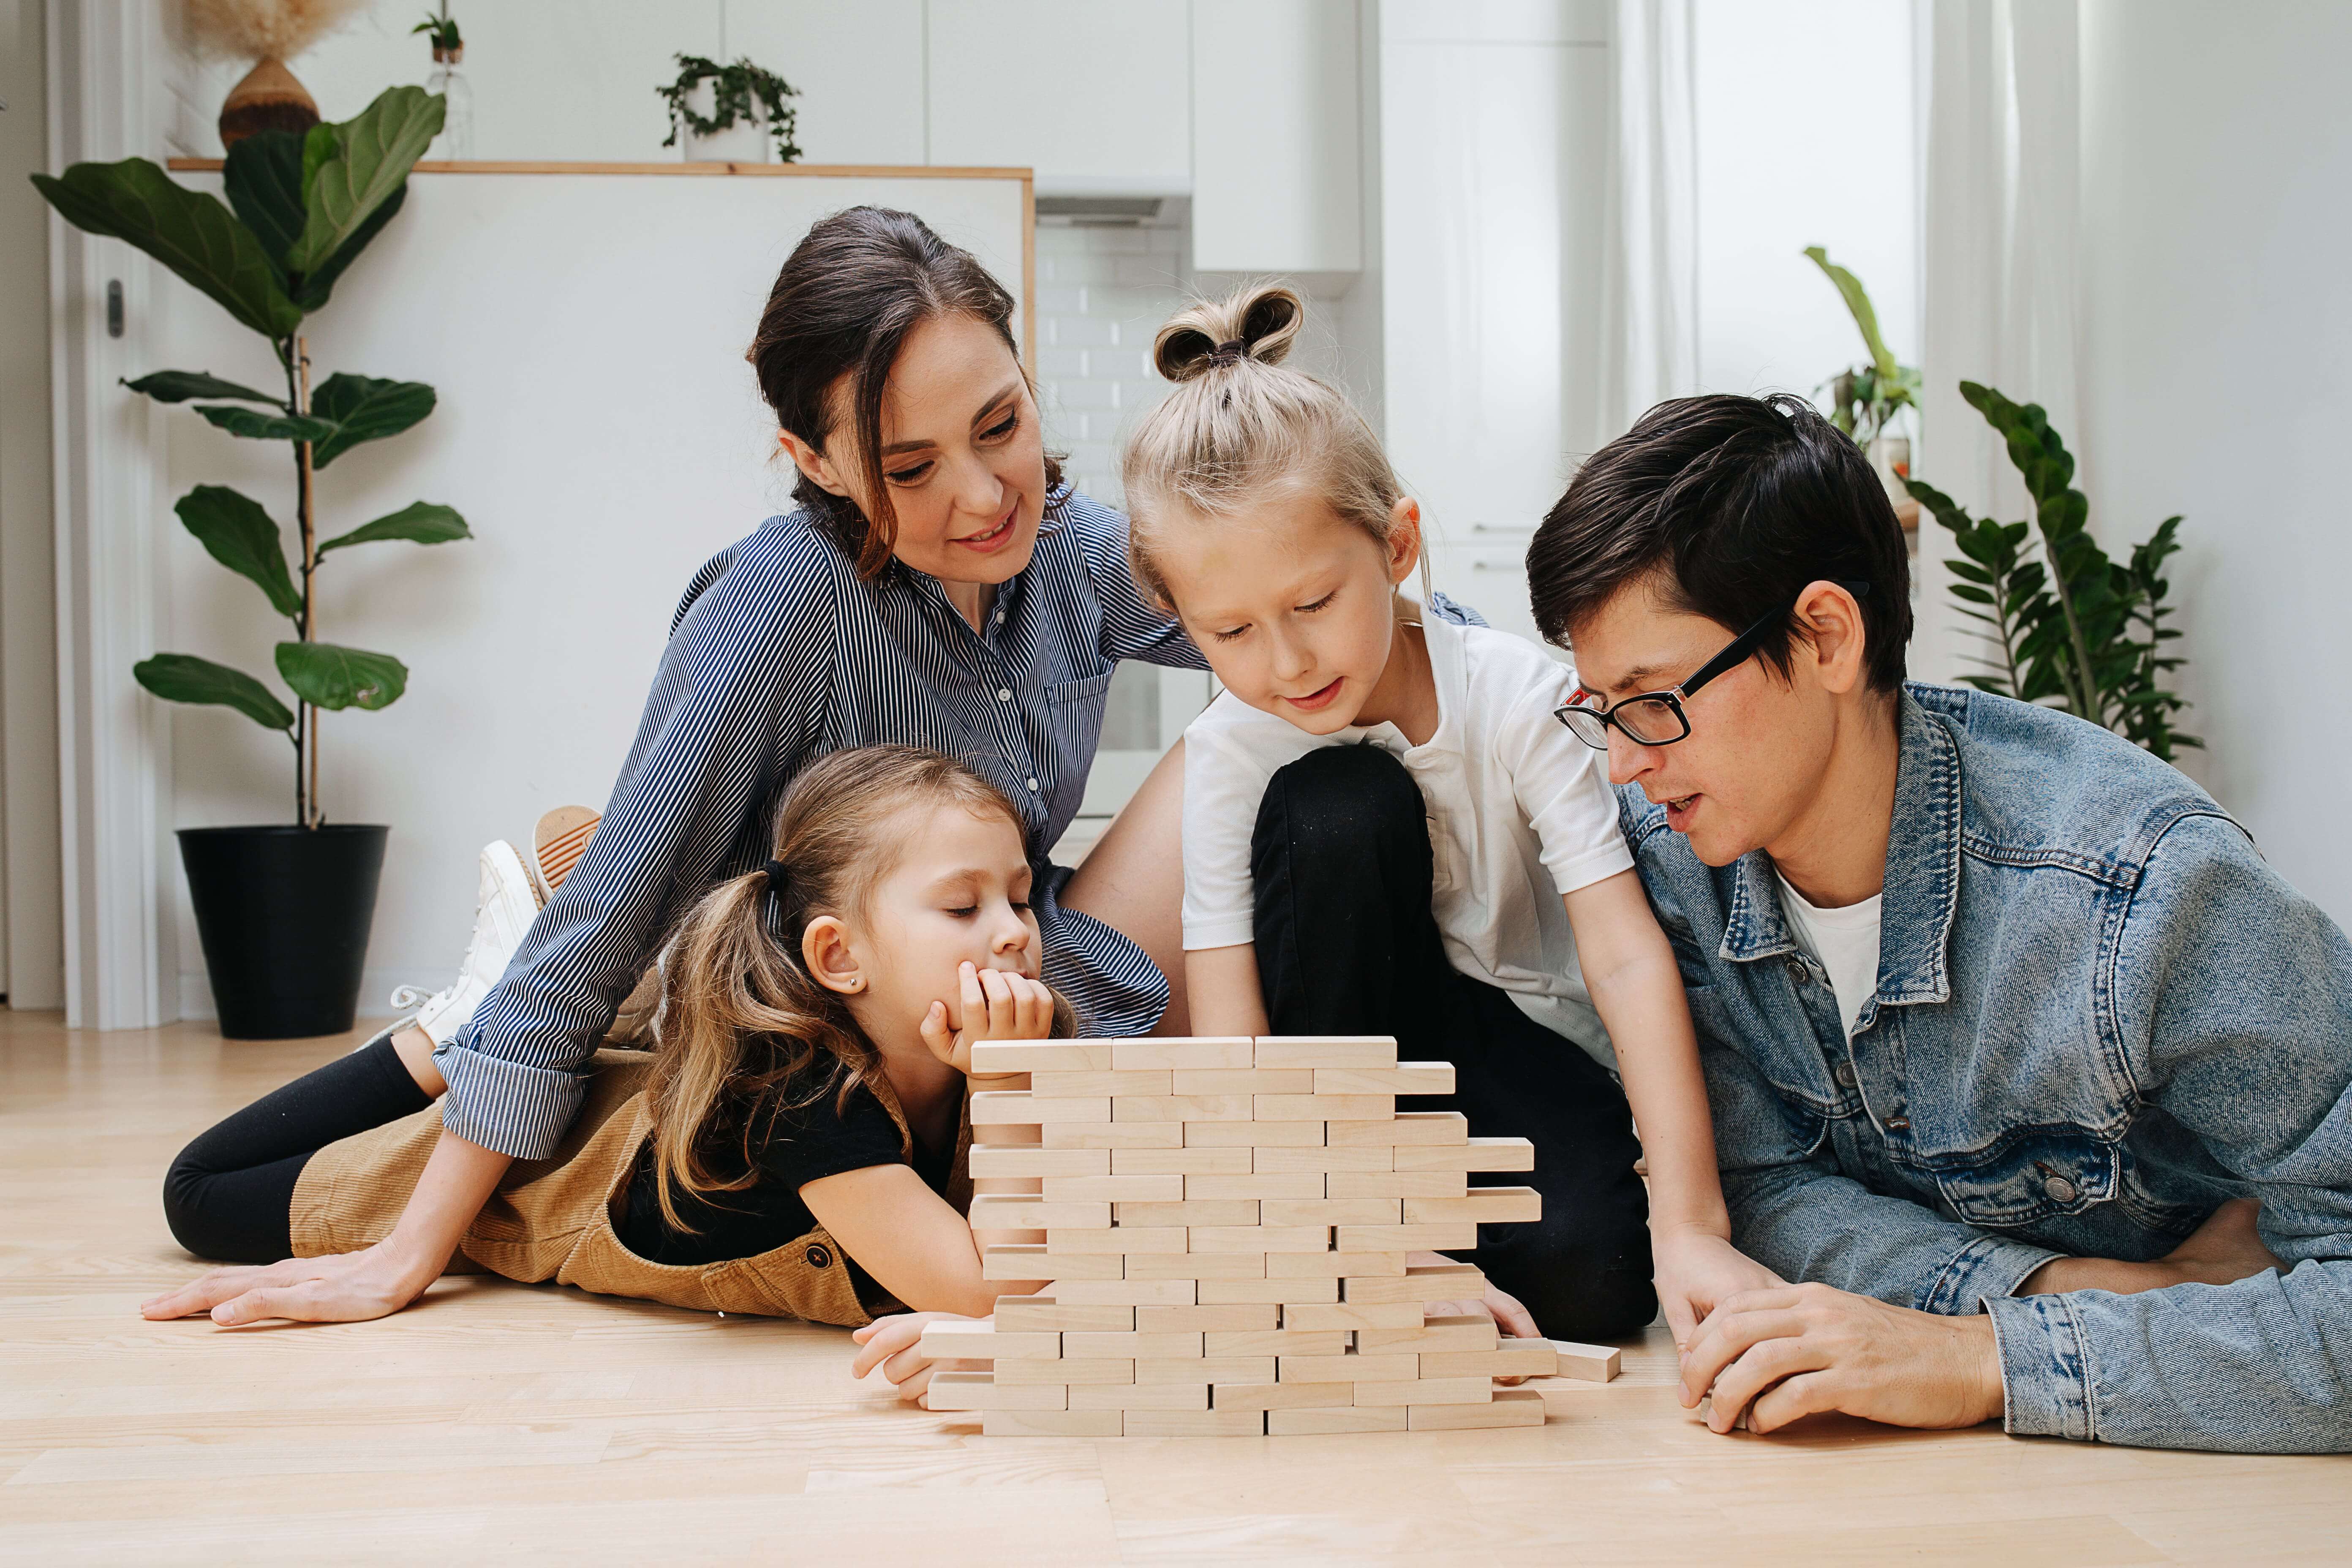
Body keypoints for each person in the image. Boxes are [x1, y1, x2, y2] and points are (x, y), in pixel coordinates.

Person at [168, 206, 1208, 1328]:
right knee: (213, 1199)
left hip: (971, 1002)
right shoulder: (781, 604)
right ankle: (470, 1012)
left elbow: (1295, 623)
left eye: (1000, 425)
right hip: (794, 1021)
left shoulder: (1066, 543)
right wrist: (409, 1253)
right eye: (910, 467)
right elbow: (612, 916)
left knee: (1277, 714)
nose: (985, 494)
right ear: (814, 461)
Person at [1527, 391, 2352, 1453]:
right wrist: (2066, 1288)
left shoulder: (2143, 889)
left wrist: (1977, 1355)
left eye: (1654, 699)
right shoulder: (1679, 869)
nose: (1626, 764)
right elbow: (1762, 1182)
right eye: (1601, 710)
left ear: (1825, 635)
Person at [1095, 282, 1778, 1345]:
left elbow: (1625, 955)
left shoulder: (1517, 696)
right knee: (1339, 800)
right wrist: (1362, 1230)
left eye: (1315, 604)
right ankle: (1376, 1238)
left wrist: (1690, 1223)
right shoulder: (1231, 749)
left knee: (1596, 1289)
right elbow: (1234, 1032)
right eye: (1228, 632)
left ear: (1399, 544)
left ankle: (1461, 1250)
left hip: (1517, 1042)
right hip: (1340, 1053)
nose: (1285, 662)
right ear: (1177, 616)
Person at [146, 748, 1068, 1328]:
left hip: (652, 1104)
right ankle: (469, 1019)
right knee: (199, 1193)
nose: (1014, 931)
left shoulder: (1001, 1043)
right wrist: (1012, 1088)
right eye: (963, 904)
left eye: (1020, 896)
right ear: (839, 955)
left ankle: (567, 1012)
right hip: (539, 1177)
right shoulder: (807, 1101)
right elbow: (986, 1288)